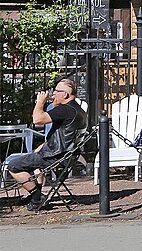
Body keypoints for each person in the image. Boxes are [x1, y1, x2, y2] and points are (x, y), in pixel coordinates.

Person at [7, 78, 86, 211]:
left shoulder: (64, 110)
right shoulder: (78, 110)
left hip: (55, 157)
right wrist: (40, 148)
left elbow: (37, 120)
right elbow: (63, 137)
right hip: (68, 156)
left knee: (13, 166)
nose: (53, 93)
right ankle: (36, 194)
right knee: (35, 160)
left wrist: (40, 102)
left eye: (56, 91)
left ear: (65, 94)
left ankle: (37, 198)